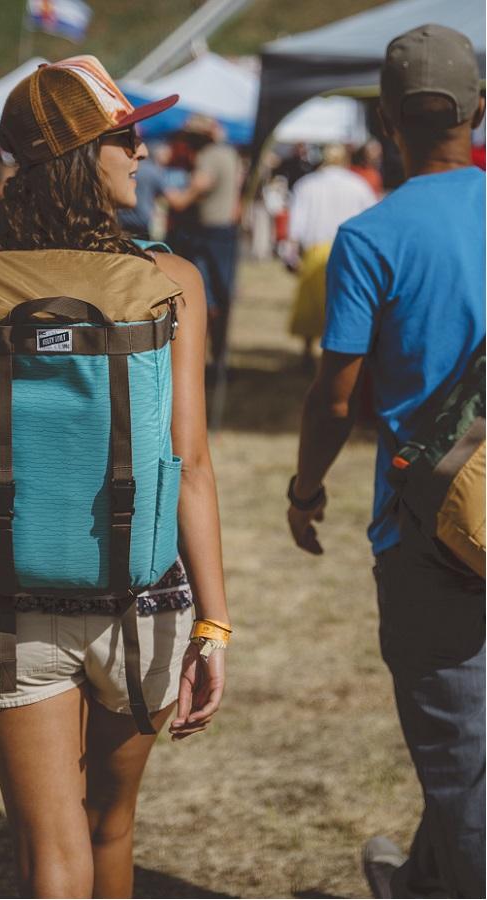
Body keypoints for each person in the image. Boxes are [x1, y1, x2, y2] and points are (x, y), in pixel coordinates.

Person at [0, 56, 229, 900]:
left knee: (49, 855)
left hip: (13, 602)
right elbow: (193, 463)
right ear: (80, 153)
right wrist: (216, 626)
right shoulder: (170, 284)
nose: (142, 152)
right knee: (111, 827)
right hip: (145, 604)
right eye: (126, 136)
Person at [286, 24, 485, 899]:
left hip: (430, 526)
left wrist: (306, 488)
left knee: (459, 748)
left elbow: (337, 397)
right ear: (479, 109)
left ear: (386, 122)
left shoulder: (369, 240)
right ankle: (417, 884)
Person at [284, 144, 376, 368]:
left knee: (312, 304)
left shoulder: (307, 185)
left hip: (316, 250)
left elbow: (297, 223)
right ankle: (338, 357)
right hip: (348, 251)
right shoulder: (358, 185)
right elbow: (371, 218)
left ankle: (308, 352)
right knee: (342, 305)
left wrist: (290, 252)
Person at [165, 115, 242, 368]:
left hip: (209, 234)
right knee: (223, 297)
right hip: (226, 231)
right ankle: (220, 358)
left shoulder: (209, 155)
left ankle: (205, 357)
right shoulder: (230, 153)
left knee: (206, 298)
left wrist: (178, 197)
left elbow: (199, 185)